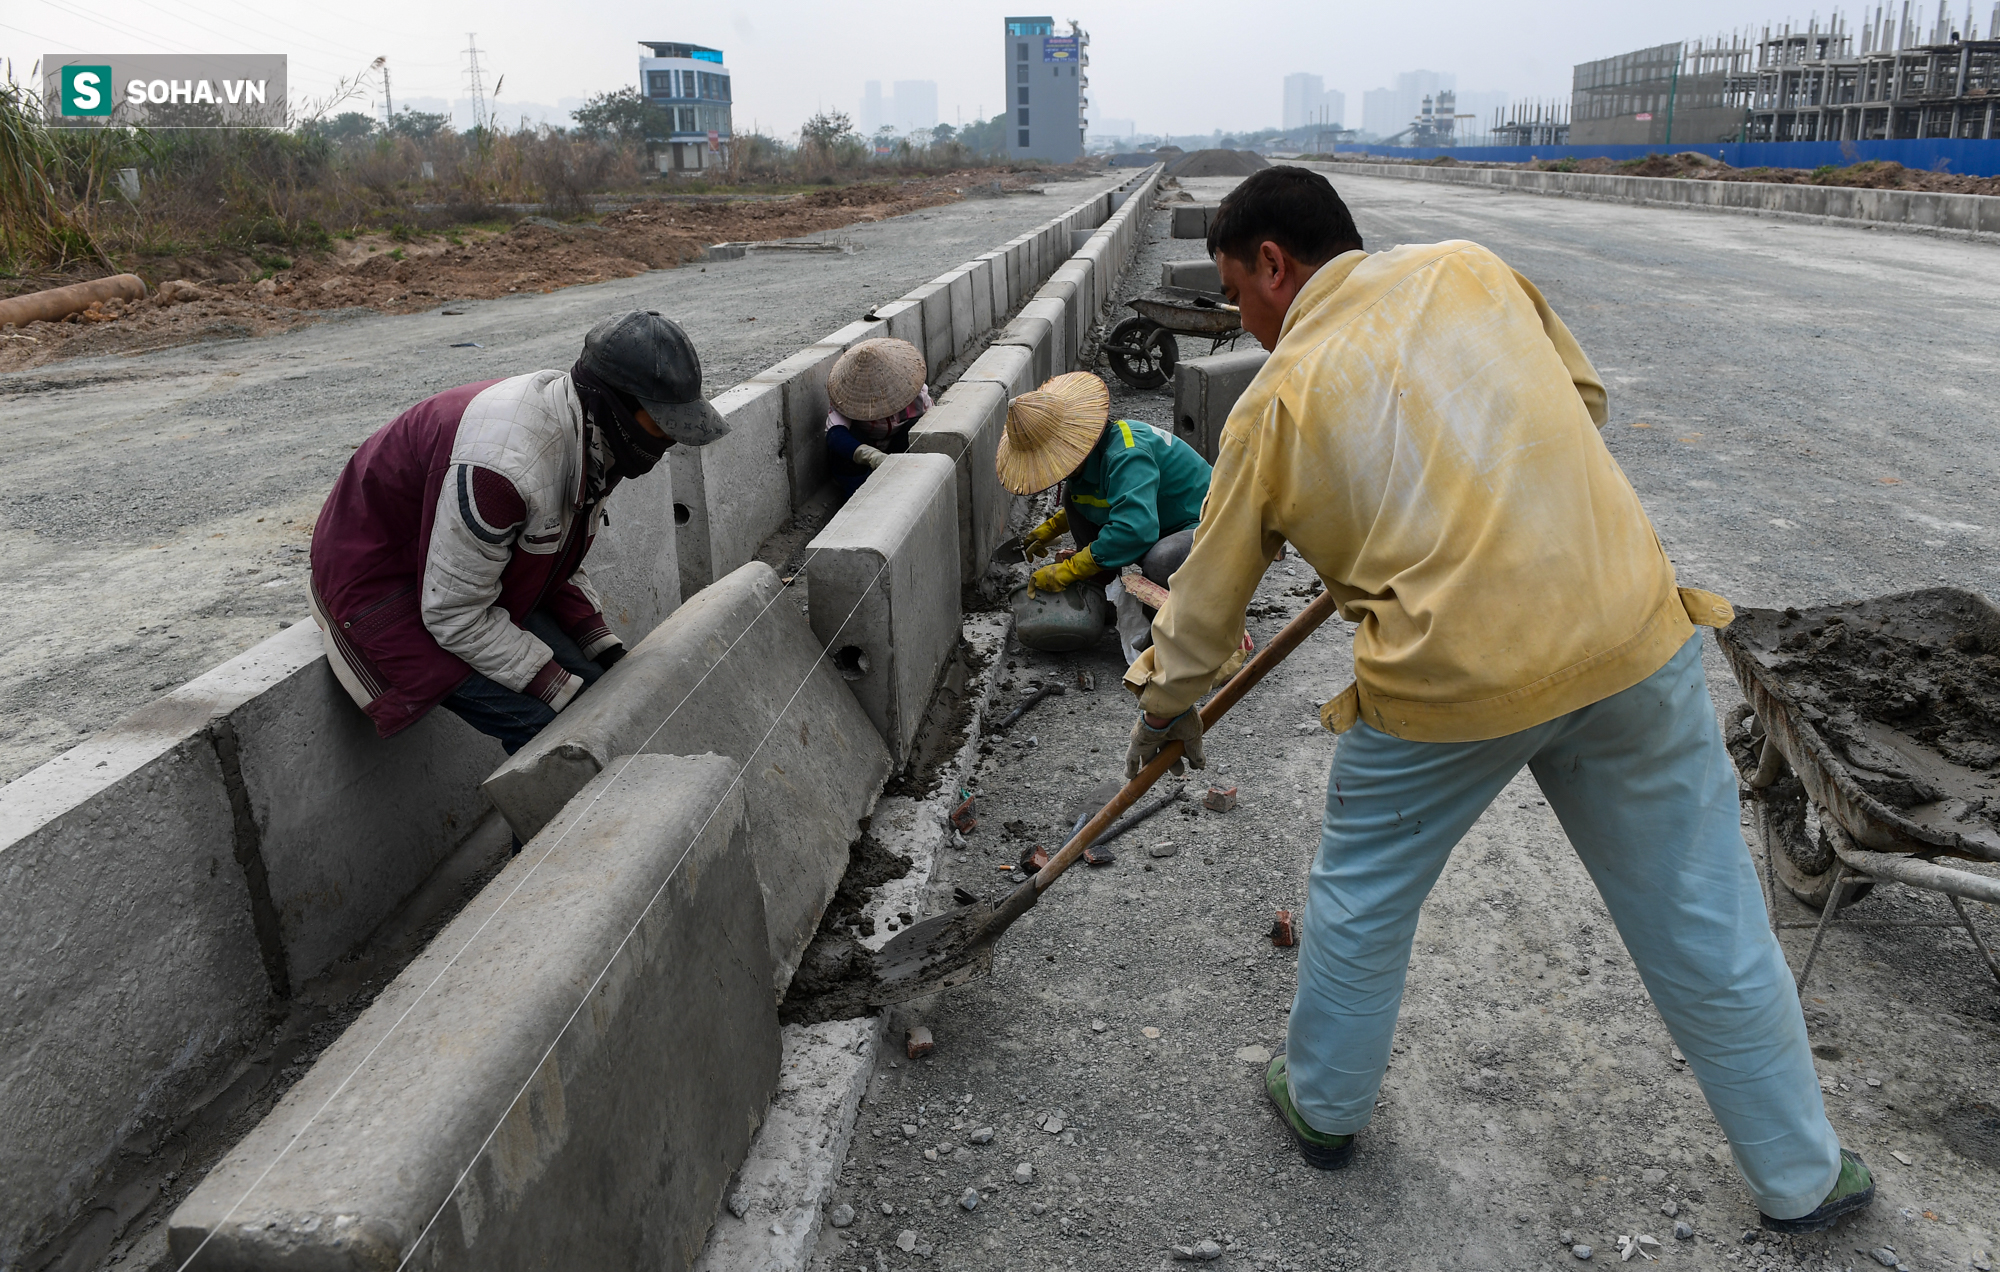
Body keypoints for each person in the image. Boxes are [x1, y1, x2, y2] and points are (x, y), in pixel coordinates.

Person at [1119, 166, 1874, 1234]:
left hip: (1448, 683)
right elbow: (1581, 405)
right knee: (1704, 913)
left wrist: (1163, 708)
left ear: (1275, 268)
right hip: (1626, 630)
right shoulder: (1469, 270)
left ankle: (1323, 1110)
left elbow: (1200, 611)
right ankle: (1803, 1179)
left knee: (1361, 898)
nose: (1239, 314)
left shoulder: (1275, 400)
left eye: (1236, 291)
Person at [309, 310, 728, 756]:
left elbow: (554, 557)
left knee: (601, 694)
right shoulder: (506, 469)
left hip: (461, 576)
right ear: (615, 404)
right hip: (385, 588)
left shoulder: (588, 431)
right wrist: (556, 686)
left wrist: (601, 648)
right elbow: (453, 614)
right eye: (658, 423)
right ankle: (549, 824)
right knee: (557, 737)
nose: (668, 438)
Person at [998, 370, 1212, 609]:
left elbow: (1134, 530)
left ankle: (1189, 613)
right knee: (1072, 496)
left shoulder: (1127, 456)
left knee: (1162, 561)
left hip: (1205, 525)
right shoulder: (1096, 455)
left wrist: (1072, 568)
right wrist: (1054, 526)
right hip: (1160, 518)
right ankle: (1101, 591)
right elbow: (1111, 498)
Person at [824, 337, 930, 497]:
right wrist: (871, 456)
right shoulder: (845, 396)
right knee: (844, 446)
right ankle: (857, 495)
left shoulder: (913, 389)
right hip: (865, 448)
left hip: (898, 444)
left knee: (915, 428)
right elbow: (835, 434)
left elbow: (930, 420)